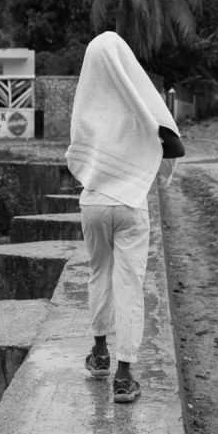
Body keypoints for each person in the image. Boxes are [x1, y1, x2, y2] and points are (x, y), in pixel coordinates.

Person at [65, 31, 184, 404]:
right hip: (130, 204)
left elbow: (77, 153)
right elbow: (174, 145)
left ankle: (99, 354)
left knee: (99, 274)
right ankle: (123, 376)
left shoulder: (87, 105)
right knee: (130, 285)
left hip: (93, 203)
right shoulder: (138, 101)